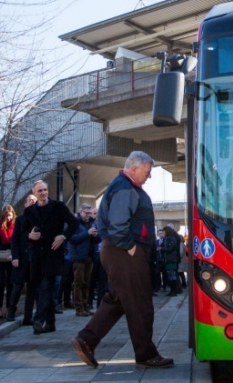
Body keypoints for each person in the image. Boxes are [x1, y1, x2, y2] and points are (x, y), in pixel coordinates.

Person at [71, 151, 174, 370]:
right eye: (147, 172)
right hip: (124, 252)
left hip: (117, 252)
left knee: (117, 300)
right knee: (140, 304)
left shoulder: (122, 186)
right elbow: (119, 224)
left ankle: (86, 340)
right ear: (134, 169)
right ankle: (146, 354)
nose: (149, 177)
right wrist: (131, 246)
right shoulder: (125, 188)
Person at [21, 180, 79, 335]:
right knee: (41, 289)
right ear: (34, 193)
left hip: (54, 253)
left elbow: (74, 223)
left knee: (47, 286)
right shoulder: (29, 211)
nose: (43, 193)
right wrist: (30, 235)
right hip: (37, 255)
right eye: (40, 191)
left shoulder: (58, 206)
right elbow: (22, 233)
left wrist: (63, 236)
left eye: (45, 189)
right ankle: (51, 323)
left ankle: (38, 319)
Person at [7, 193, 38, 323]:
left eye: (34, 201)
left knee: (32, 289)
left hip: (34, 258)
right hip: (21, 258)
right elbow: (15, 240)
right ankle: (11, 312)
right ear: (25, 204)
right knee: (18, 286)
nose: (32, 202)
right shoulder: (20, 220)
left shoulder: (39, 219)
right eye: (29, 201)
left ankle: (28, 316)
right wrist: (15, 257)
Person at [68, 203, 98, 316]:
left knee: (87, 283)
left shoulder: (91, 223)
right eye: (86, 213)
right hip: (78, 257)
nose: (88, 215)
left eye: (90, 213)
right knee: (78, 282)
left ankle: (85, 306)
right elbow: (72, 239)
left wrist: (96, 235)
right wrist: (87, 233)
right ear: (81, 212)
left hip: (89, 256)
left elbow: (98, 239)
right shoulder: (74, 223)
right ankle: (79, 307)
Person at [160, 225, 183, 296]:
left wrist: (162, 249)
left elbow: (171, 248)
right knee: (171, 275)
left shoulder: (171, 238)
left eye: (163, 231)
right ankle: (173, 290)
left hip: (172, 259)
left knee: (172, 275)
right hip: (170, 259)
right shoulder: (168, 238)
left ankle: (174, 290)